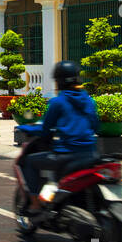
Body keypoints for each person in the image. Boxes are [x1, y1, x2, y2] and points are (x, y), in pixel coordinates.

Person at [19, 60, 98, 205]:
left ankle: (35, 204)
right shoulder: (89, 101)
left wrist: (24, 128)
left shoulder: (58, 102)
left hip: (66, 155)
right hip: (90, 154)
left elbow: (45, 129)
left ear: (59, 81)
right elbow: (95, 126)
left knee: (29, 162)